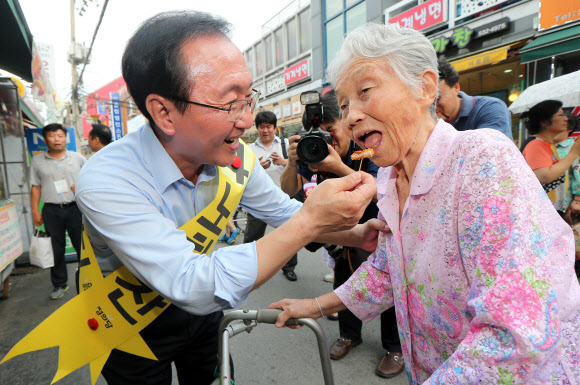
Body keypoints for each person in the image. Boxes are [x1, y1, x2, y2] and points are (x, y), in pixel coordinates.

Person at [75, 11, 380, 385]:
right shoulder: (108, 179)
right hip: (127, 322)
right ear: (163, 112)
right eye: (230, 103)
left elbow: (283, 212)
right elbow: (190, 283)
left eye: (248, 98)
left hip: (204, 313)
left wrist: (356, 235)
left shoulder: (233, 158)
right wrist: (310, 220)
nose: (247, 120)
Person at [270, 22, 580, 384]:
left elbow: (515, 334)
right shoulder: (389, 178)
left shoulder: (483, 161)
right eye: (344, 104)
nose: (352, 115)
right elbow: (390, 268)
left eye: (365, 90)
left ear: (425, 87)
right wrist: (315, 305)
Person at [280, 90, 404, 378]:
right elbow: (288, 190)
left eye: (331, 130)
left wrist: (335, 166)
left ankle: (394, 347)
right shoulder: (311, 149)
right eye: (319, 132)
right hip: (341, 235)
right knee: (344, 278)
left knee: (386, 283)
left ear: (346, 124)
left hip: (375, 227)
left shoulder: (365, 148)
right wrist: (290, 163)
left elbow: (381, 188)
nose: (327, 139)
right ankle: (350, 334)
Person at [30, 123, 86, 300]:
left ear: (65, 138)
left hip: (75, 208)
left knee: (83, 246)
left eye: (60, 136)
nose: (56, 139)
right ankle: (60, 284)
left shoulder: (77, 158)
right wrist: (34, 211)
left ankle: (88, 280)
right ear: (45, 139)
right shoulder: (38, 161)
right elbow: (35, 187)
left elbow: (90, 179)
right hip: (51, 210)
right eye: (52, 136)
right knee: (56, 249)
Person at [244, 111, 298, 281]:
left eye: (268, 127)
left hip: (283, 199)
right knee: (252, 238)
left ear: (275, 127)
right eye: (261, 127)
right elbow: (243, 174)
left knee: (290, 237)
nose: (265, 130)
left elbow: (299, 165)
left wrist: (284, 162)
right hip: (258, 201)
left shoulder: (286, 144)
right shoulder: (249, 150)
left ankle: (289, 267)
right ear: (257, 128)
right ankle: (248, 269)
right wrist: (257, 168)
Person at [522, 100, 580, 216]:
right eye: (561, 115)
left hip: (552, 213)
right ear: (544, 122)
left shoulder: (548, 145)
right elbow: (545, 176)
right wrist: (573, 153)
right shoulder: (535, 145)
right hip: (541, 215)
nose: (566, 119)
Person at [436, 57, 513, 140]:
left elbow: (490, 149)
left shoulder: (491, 108)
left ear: (456, 88)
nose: (431, 106)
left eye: (437, 98)